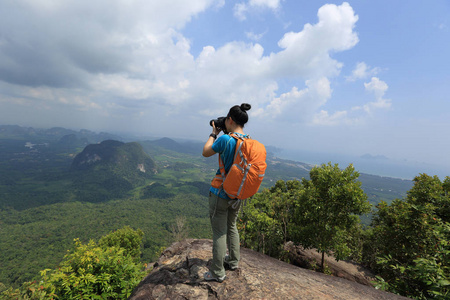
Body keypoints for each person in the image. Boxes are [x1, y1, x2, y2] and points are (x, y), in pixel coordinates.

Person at [202, 103, 252, 282]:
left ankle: (217, 272)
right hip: (237, 194)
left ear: (230, 120)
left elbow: (206, 152)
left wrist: (214, 134)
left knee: (219, 232)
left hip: (220, 193)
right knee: (232, 227)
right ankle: (233, 261)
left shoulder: (226, 139)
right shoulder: (249, 141)